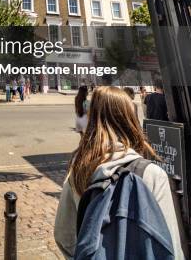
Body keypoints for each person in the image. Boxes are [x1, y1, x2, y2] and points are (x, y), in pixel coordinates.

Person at [55, 86, 185, 259]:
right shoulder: (150, 173)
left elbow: (64, 236)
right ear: (129, 119)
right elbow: (171, 245)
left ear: (91, 119)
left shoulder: (79, 168)